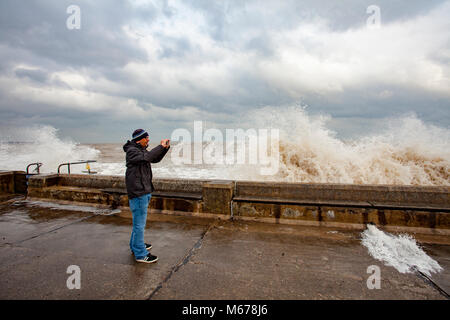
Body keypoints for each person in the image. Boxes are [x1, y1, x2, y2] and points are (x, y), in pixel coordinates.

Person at [123, 129, 170, 263]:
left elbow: (154, 159)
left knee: (138, 223)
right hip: (138, 192)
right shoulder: (133, 151)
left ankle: (136, 245)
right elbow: (148, 157)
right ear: (139, 139)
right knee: (139, 225)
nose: (148, 140)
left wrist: (164, 149)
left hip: (143, 190)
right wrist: (160, 146)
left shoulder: (140, 150)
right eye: (146, 138)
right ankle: (140, 254)